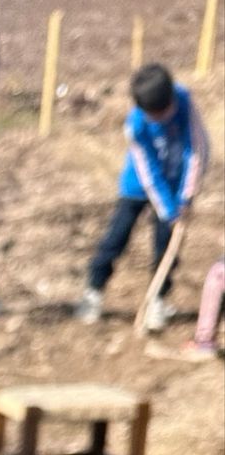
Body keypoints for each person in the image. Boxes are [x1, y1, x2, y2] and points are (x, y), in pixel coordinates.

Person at [77, 63, 210, 332]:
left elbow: (197, 148)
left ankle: (158, 300)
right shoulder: (135, 125)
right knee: (116, 237)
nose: (159, 119)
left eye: (163, 113)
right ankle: (94, 291)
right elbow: (148, 173)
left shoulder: (184, 101)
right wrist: (169, 210)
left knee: (167, 245)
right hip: (137, 187)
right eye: (153, 115)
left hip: (177, 186)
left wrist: (185, 198)